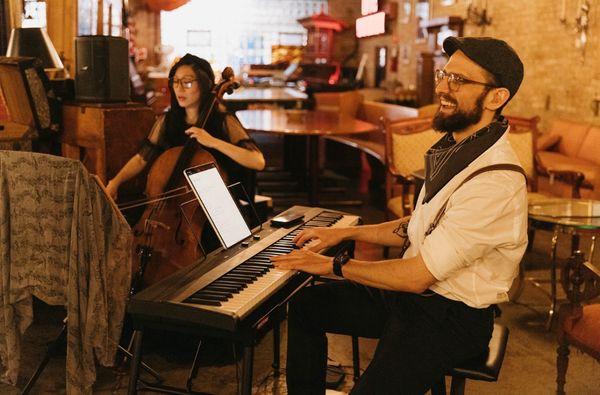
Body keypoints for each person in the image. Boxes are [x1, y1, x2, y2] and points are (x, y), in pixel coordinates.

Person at [272, 36, 528, 394]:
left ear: (497, 97)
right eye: (444, 74)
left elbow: (416, 277)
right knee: (306, 305)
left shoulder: (495, 181)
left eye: (459, 80)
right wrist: (344, 235)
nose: (441, 86)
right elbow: (417, 227)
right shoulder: (457, 148)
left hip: (452, 318)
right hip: (415, 301)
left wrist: (332, 266)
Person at [106, 54, 265, 202]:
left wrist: (213, 142)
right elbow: (142, 158)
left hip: (215, 211)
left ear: (203, 85)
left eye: (187, 82)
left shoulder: (222, 120)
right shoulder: (168, 121)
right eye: (175, 81)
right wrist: (115, 182)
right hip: (174, 208)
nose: (179, 88)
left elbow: (257, 161)